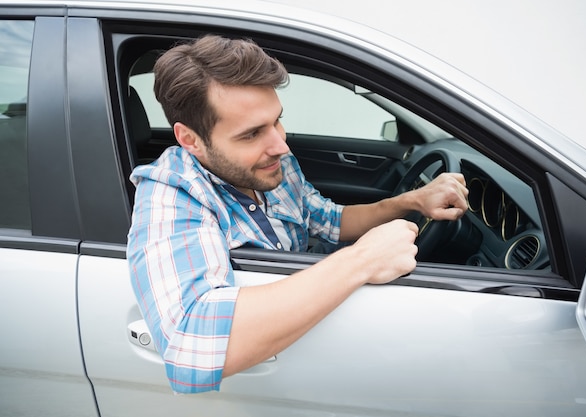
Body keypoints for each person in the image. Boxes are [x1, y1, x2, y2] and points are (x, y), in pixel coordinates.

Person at [127, 34, 468, 394]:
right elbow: (190, 348)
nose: (280, 145)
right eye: (252, 134)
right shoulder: (172, 194)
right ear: (191, 140)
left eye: (277, 120)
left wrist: (412, 201)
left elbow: (329, 221)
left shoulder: (272, 165)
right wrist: (363, 260)